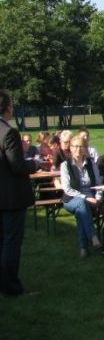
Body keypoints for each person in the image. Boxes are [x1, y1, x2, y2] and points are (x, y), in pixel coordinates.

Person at [0, 89, 38, 296]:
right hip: (11, 197)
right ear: (7, 108)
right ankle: (12, 288)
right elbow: (17, 165)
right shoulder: (9, 132)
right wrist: (34, 164)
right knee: (11, 242)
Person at [60, 135, 103, 257]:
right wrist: (86, 198)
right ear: (70, 148)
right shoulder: (65, 165)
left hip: (91, 198)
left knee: (82, 213)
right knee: (82, 204)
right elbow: (67, 189)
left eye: (81, 146)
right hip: (71, 199)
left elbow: (98, 184)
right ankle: (93, 236)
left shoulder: (91, 163)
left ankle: (83, 248)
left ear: (85, 148)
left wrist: (98, 198)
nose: (78, 149)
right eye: (75, 146)